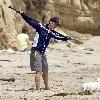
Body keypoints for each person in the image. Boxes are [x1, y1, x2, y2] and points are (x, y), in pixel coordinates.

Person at [19, 12, 72, 90]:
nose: (56, 26)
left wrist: (66, 37)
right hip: (36, 51)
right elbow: (30, 21)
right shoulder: (40, 27)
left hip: (42, 52)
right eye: (56, 24)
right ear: (51, 22)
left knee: (45, 71)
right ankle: (37, 90)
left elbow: (58, 36)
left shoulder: (52, 32)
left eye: (57, 25)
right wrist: (23, 14)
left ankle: (47, 87)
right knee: (39, 71)